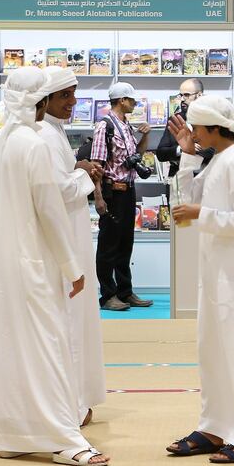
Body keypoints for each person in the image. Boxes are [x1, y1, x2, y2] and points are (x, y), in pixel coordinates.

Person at [0, 67, 109, 466]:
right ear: (39, 101)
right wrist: (73, 267)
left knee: (7, 345)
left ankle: (9, 434)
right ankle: (64, 440)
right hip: (33, 261)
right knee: (49, 346)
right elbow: (51, 213)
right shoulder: (33, 145)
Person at [165, 95, 234, 464]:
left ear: (214, 128)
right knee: (212, 352)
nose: (193, 133)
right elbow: (184, 205)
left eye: (197, 128)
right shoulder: (219, 161)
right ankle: (215, 425)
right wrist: (187, 155)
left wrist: (203, 213)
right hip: (214, 274)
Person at [38, 66, 107, 428]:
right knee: (70, 320)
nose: (73, 102)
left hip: (73, 236)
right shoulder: (45, 135)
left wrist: (78, 167)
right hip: (65, 241)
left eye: (74, 93)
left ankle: (77, 397)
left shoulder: (54, 131)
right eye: (65, 95)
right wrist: (83, 174)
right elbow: (60, 190)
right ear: (44, 98)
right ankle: (72, 402)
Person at [91, 82, 153, 310]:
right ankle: (107, 295)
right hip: (112, 192)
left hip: (128, 191)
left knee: (126, 244)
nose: (134, 103)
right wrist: (98, 197)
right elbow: (96, 165)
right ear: (121, 101)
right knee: (108, 245)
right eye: (132, 100)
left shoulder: (126, 126)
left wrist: (145, 136)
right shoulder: (104, 127)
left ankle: (125, 292)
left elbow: (136, 155)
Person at [155, 78, 214, 185]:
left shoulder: (211, 119)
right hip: (177, 180)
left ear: (199, 95)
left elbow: (217, 151)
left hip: (206, 180)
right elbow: (161, 153)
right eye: (180, 95)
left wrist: (194, 148)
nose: (182, 99)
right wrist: (181, 149)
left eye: (186, 95)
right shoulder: (174, 119)